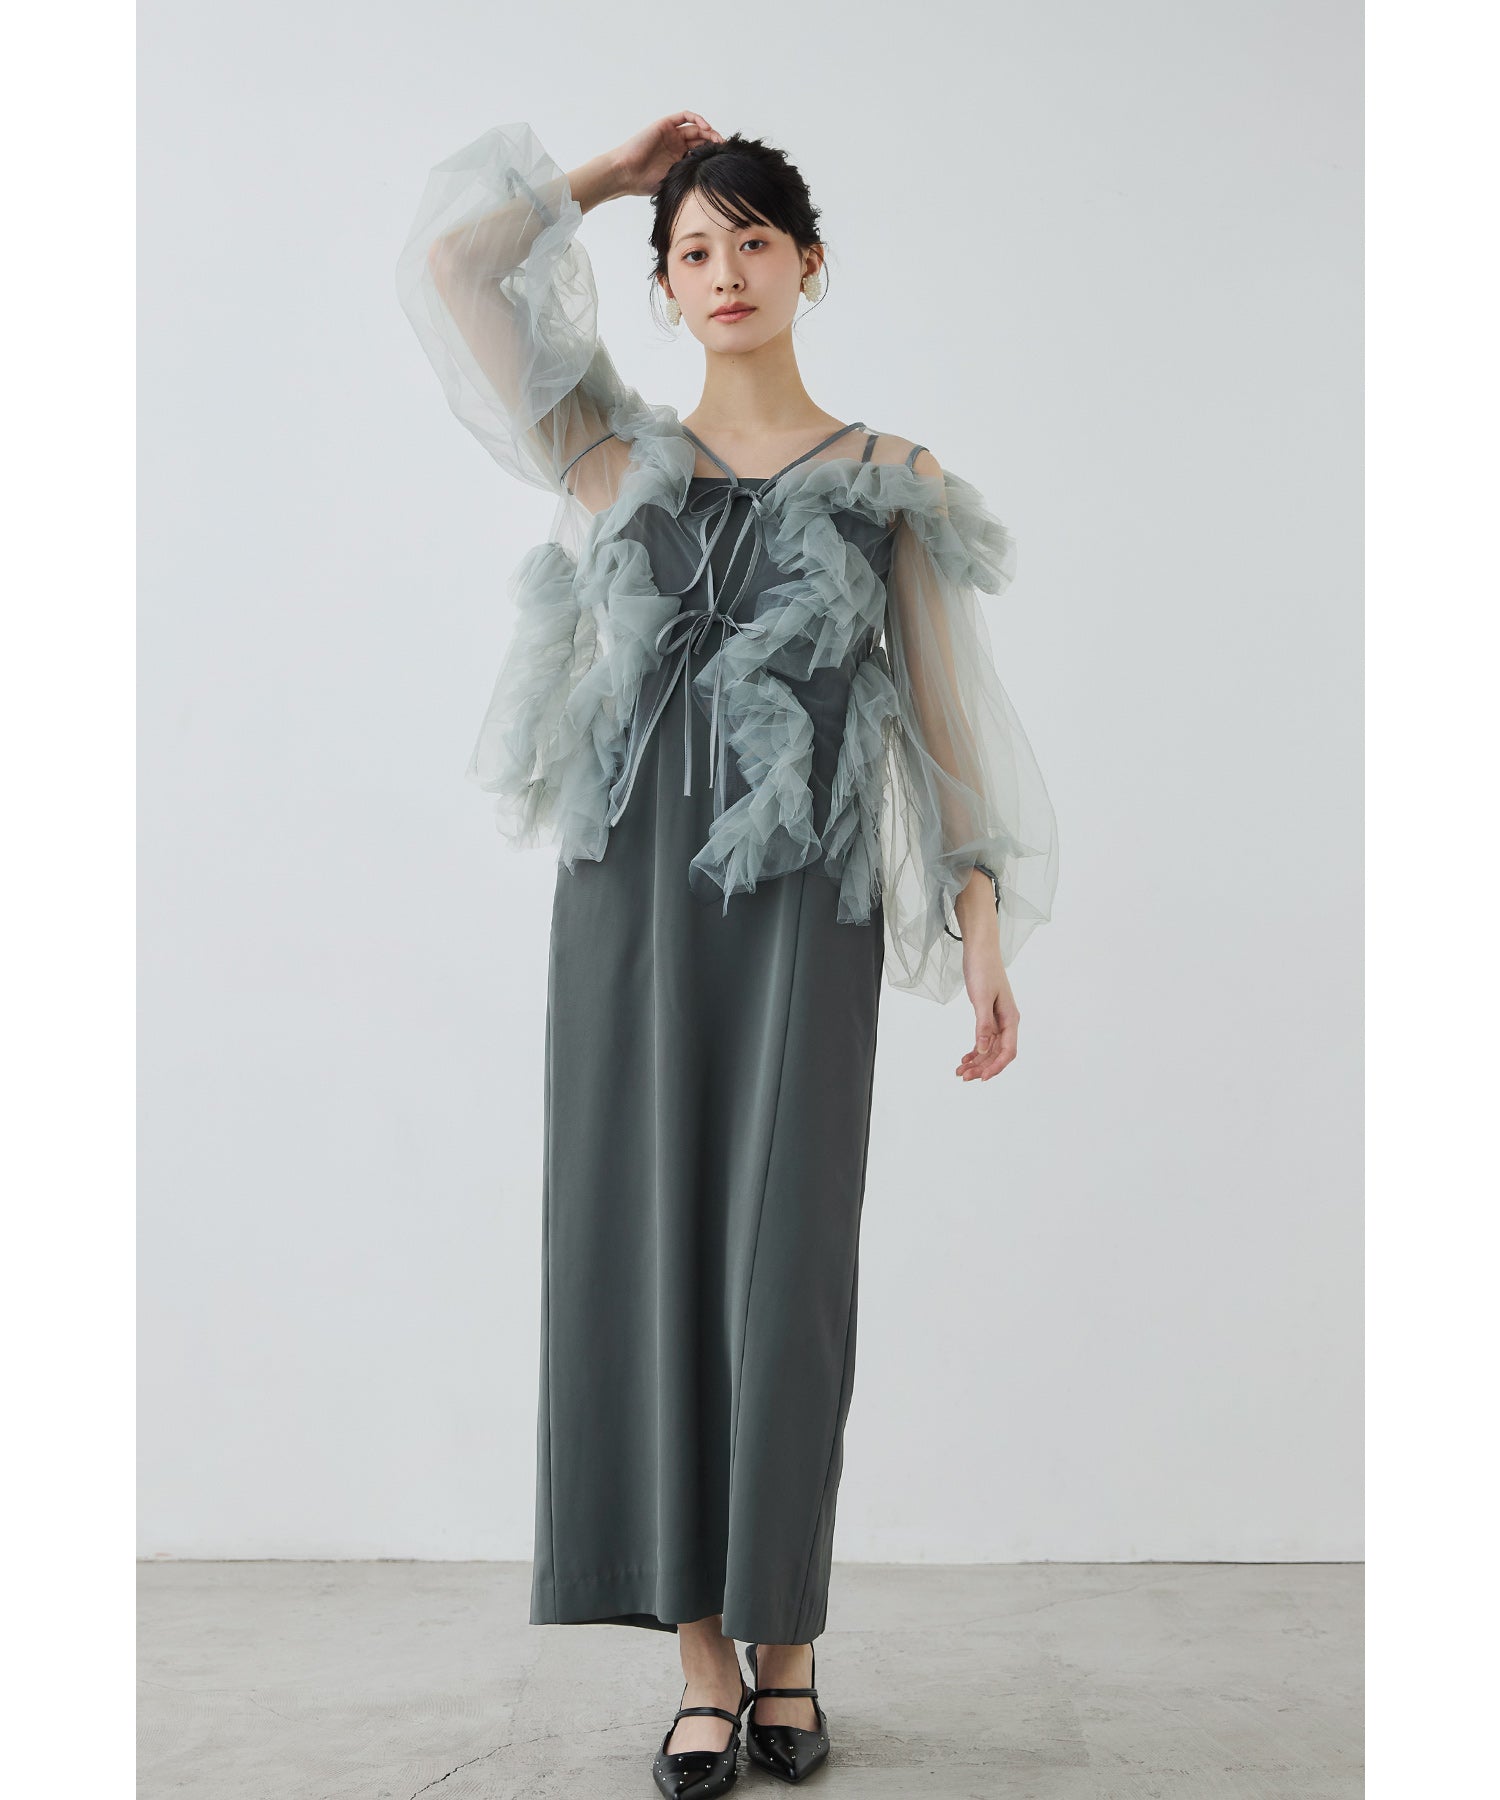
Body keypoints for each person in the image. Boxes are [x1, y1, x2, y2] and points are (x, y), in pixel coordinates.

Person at [396, 109, 1058, 1795]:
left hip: (807, 916)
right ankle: (700, 1659)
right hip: (628, 912)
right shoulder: (612, 457)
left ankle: (789, 1642)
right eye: (694, 249)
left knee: (790, 1272)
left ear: (809, 264)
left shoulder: (890, 479)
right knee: (641, 1251)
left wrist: (982, 924)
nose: (726, 269)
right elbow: (453, 267)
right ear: (667, 288)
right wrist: (614, 177)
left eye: (754, 238)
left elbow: (946, 721)